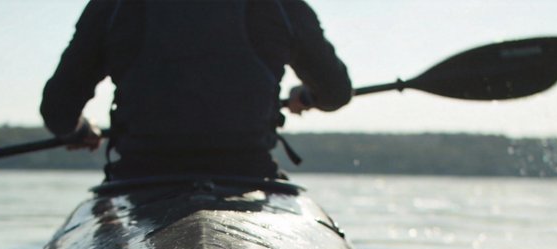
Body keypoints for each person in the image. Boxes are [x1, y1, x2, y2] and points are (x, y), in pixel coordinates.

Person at [41, 0, 352, 180]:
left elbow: (58, 112)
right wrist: (308, 96)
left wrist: (78, 130)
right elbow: (336, 92)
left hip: (142, 174)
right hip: (248, 173)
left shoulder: (114, 6)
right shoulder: (280, 5)